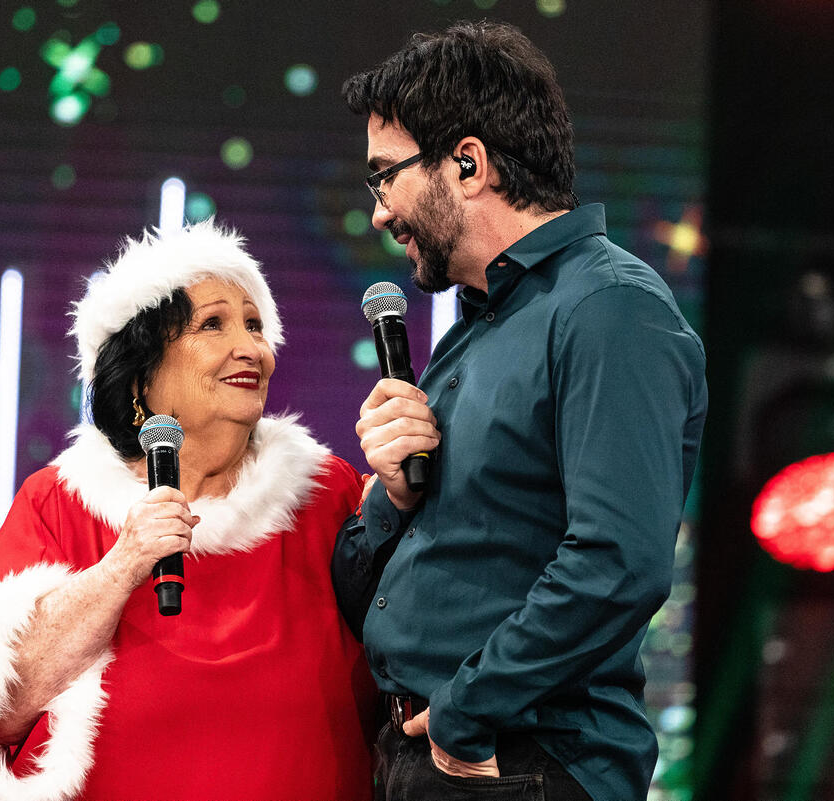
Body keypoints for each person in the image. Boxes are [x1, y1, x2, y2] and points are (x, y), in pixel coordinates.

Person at [332, 21, 708, 801]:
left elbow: (617, 563)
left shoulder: (610, 310)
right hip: (436, 761)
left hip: (516, 764)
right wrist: (394, 500)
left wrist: (466, 712)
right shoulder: (477, 327)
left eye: (384, 176)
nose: (378, 212)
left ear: (468, 163)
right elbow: (392, 585)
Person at [0, 219, 376, 801]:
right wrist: (122, 566)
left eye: (255, 325)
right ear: (139, 376)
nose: (252, 348)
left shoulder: (326, 494)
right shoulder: (59, 504)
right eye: (213, 323)